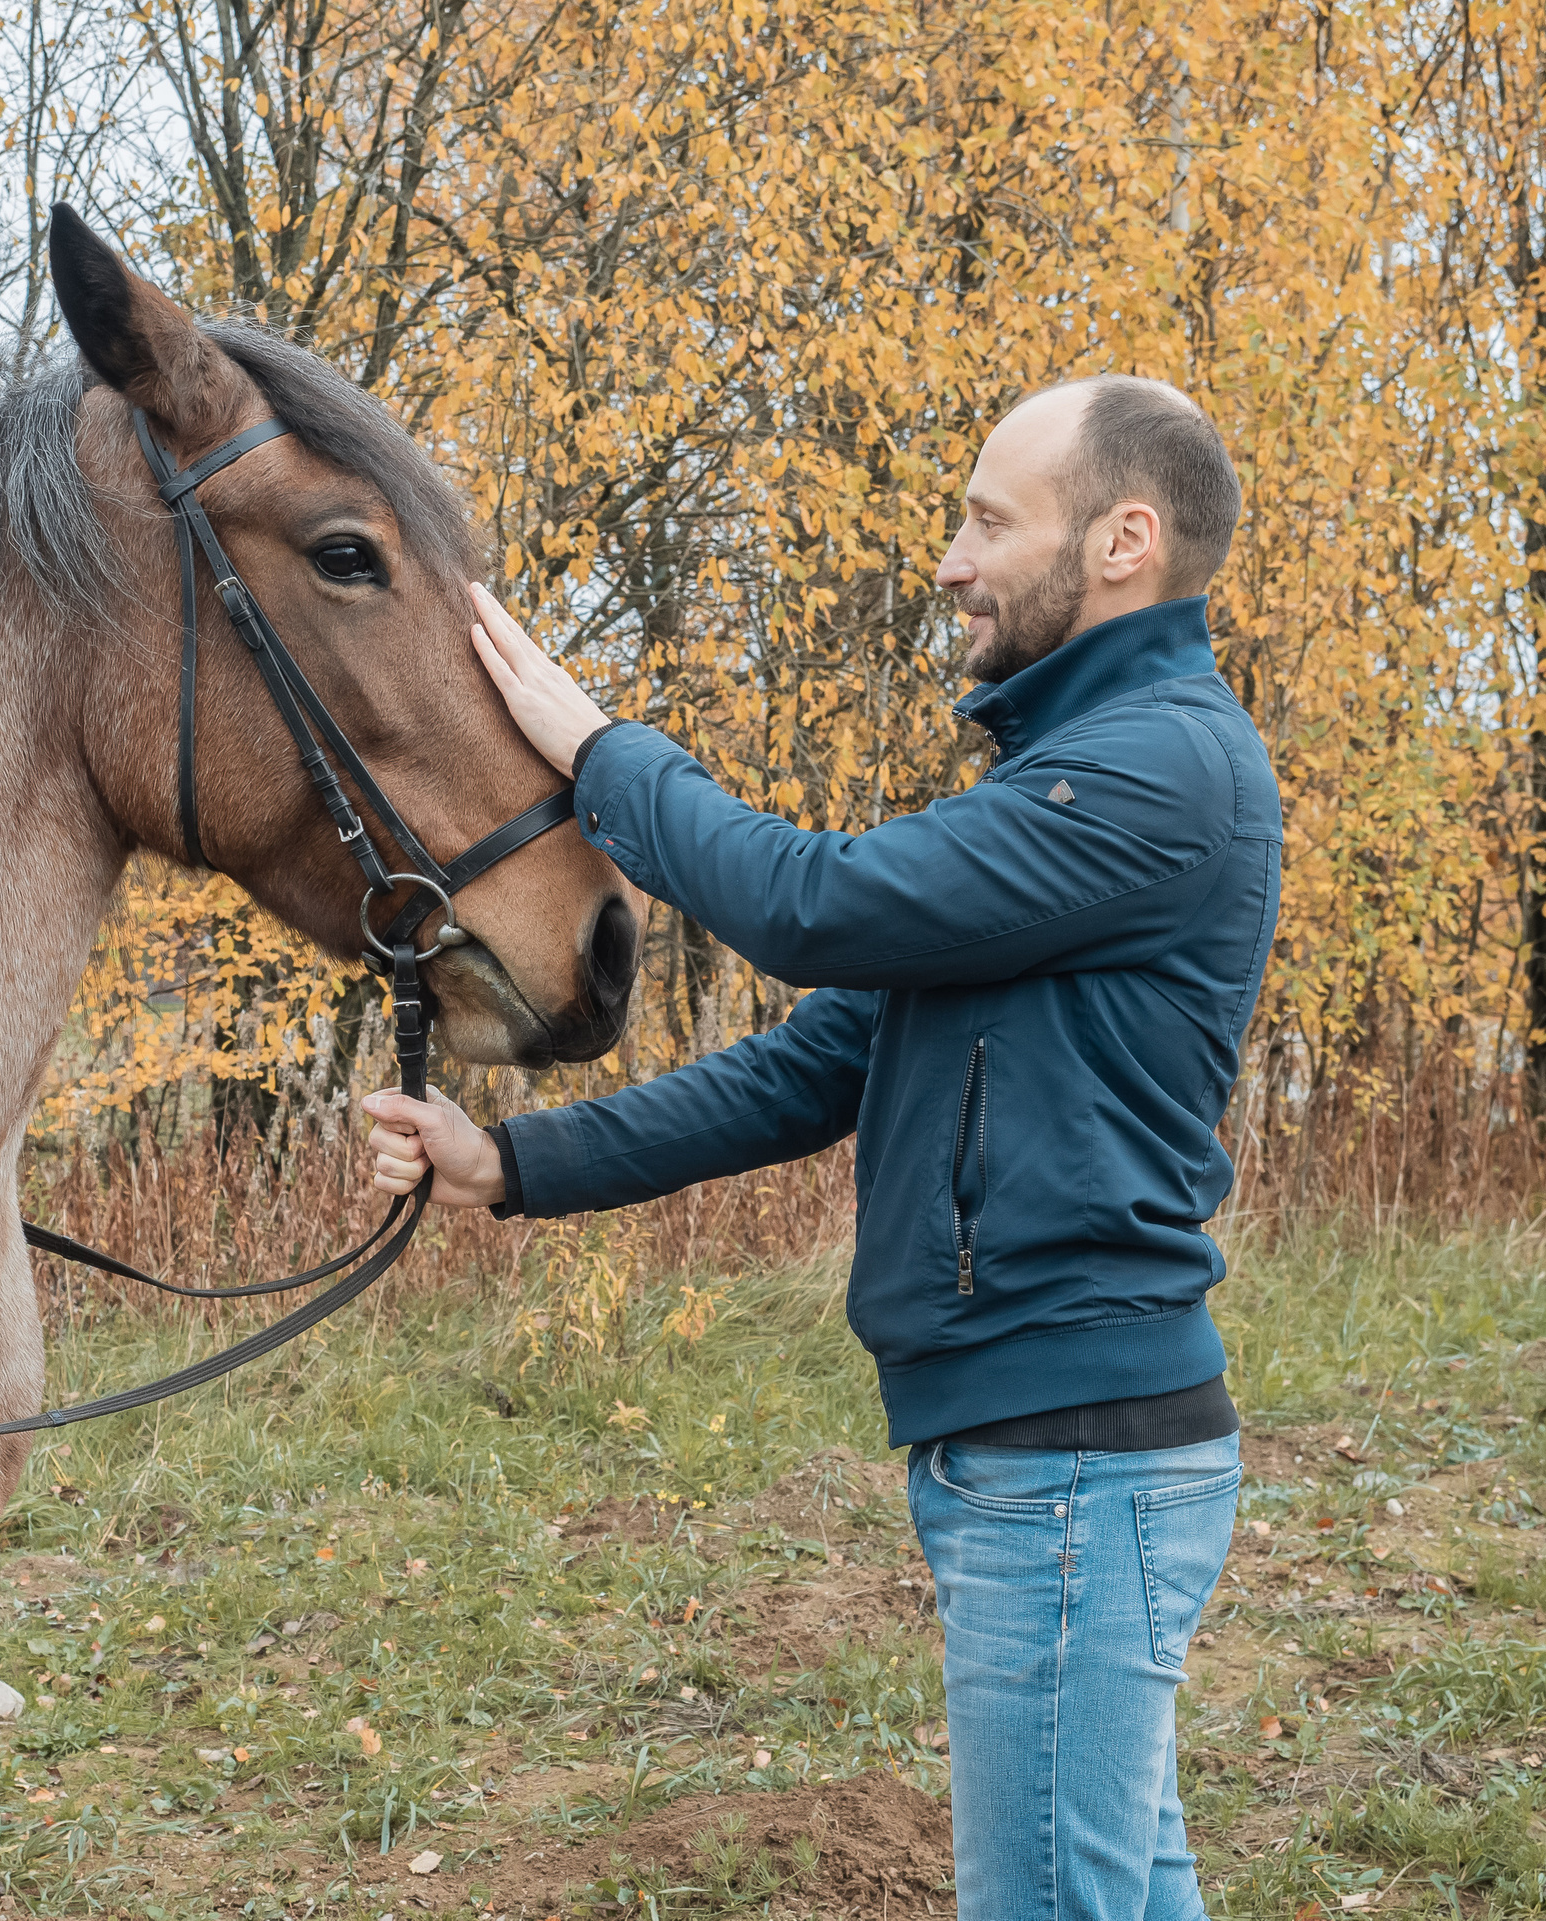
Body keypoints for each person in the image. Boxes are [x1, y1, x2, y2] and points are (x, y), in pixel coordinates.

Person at [361, 375, 1280, 1921]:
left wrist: (603, 755)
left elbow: (813, 908)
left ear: (1124, 540)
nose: (950, 557)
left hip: (1073, 1454)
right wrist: (514, 1165)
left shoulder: (1153, 770)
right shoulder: (1072, 780)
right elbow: (823, 1059)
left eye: (991, 518)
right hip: (1049, 1453)